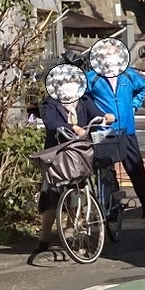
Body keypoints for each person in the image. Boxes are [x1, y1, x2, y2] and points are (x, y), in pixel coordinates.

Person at [84, 38, 145, 218]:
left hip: (127, 130)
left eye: (114, 53)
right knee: (106, 172)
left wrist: (133, 105)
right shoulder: (91, 78)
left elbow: (142, 88)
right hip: (103, 132)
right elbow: (81, 98)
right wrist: (93, 115)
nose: (110, 57)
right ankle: (110, 210)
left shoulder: (129, 75)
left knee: (136, 169)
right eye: (106, 54)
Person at [34, 64, 113, 257]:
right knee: (52, 199)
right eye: (65, 83)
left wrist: (105, 117)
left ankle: (79, 235)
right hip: (58, 156)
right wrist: (73, 126)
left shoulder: (85, 100)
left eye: (72, 82)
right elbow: (52, 124)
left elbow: (96, 115)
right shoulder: (49, 104)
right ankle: (44, 239)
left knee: (81, 194)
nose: (69, 86)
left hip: (81, 153)